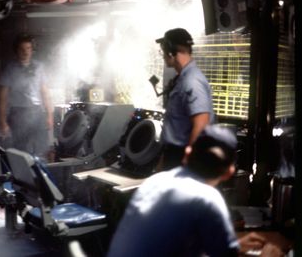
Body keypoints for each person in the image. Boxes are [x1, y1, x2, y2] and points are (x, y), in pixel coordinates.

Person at [107, 125, 282, 257]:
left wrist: (233, 246)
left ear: (187, 154)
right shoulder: (207, 198)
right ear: (230, 171)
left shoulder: (153, 182)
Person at [156, 28, 214, 170]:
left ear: (171, 51)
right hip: (173, 157)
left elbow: (201, 124)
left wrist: (187, 163)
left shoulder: (192, 81)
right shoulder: (183, 79)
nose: (162, 55)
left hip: (182, 160)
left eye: (163, 50)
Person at [0, 33, 53, 158]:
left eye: (28, 48)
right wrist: (2, 121)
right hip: (18, 113)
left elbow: (45, 92)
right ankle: (24, 176)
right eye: (22, 49)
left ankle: (41, 175)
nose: (25, 52)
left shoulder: (39, 67)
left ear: (32, 50)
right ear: (17, 51)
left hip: (37, 112)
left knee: (42, 148)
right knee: (21, 150)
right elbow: (2, 97)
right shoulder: (10, 69)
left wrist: (49, 115)